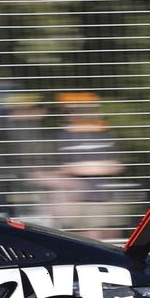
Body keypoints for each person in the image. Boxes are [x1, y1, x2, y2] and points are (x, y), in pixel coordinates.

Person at [33, 92, 124, 239]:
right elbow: (44, 172)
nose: (75, 114)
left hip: (107, 197)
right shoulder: (59, 137)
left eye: (82, 109)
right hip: (79, 201)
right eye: (70, 111)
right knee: (91, 238)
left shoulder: (105, 134)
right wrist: (79, 171)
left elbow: (117, 165)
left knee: (113, 238)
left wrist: (79, 168)